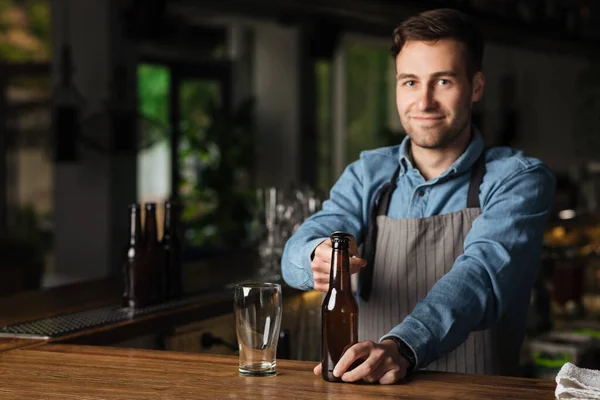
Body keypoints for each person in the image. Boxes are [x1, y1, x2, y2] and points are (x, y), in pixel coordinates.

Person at [281, 8, 555, 385]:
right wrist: (314, 254)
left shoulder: (517, 179)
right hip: (371, 389)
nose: (423, 101)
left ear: (476, 86)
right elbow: (296, 251)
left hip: (478, 394)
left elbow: (480, 277)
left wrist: (403, 347)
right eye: (410, 82)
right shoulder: (367, 174)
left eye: (442, 81)